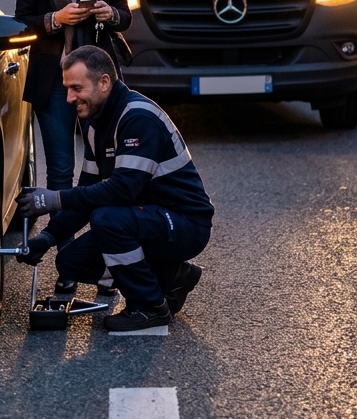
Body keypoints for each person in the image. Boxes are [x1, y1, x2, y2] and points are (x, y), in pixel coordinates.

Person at [16, 45, 213, 331]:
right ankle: (173, 277)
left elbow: (123, 191)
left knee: (108, 218)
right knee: (71, 261)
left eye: (76, 88)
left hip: (184, 223)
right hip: (145, 219)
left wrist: (54, 199)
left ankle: (149, 308)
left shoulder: (137, 118)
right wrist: (47, 237)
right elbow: (87, 192)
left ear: (104, 82)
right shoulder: (97, 124)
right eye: (67, 89)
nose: (69, 98)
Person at [15, 0, 131, 192]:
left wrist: (111, 14)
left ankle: (106, 232)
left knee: (107, 163)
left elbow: (125, 15)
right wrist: (56, 19)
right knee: (61, 167)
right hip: (54, 79)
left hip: (97, 78)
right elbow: (21, 23)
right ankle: (62, 238)